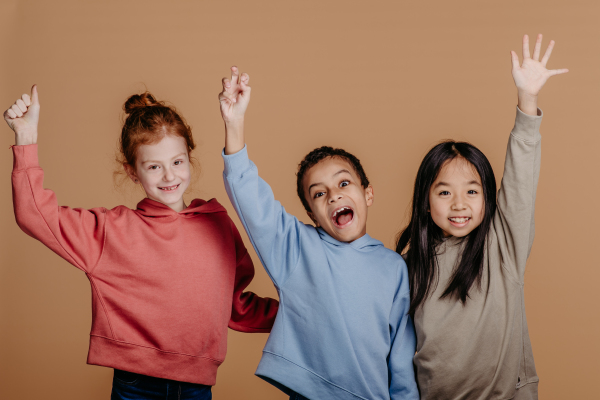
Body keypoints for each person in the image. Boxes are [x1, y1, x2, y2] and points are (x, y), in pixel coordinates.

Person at [5, 88, 278, 400]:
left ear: (189, 156)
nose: (168, 176)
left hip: (197, 387)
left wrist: (303, 318)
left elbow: (236, 308)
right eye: (153, 166)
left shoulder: (217, 223)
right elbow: (35, 215)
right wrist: (25, 137)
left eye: (177, 161)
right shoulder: (112, 231)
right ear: (132, 172)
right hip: (136, 387)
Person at [218, 67, 419, 400]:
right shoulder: (297, 249)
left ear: (367, 193)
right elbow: (254, 203)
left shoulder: (394, 268)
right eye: (319, 193)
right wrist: (234, 124)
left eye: (343, 183)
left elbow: (402, 356)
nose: (334, 195)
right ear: (312, 213)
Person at [395, 34, 568, 399]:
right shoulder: (409, 266)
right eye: (445, 192)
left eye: (472, 191)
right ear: (426, 202)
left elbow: (521, 180)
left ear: (488, 200)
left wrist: (528, 100)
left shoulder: (503, 246)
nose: (459, 204)